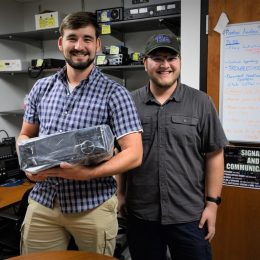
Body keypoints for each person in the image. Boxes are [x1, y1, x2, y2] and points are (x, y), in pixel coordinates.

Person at [17, 11, 143, 256]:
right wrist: (27, 164)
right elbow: (25, 135)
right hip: (44, 202)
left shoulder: (115, 93)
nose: (79, 46)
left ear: (97, 45)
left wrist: (87, 174)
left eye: (87, 39)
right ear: (61, 43)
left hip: (92, 206)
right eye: (72, 38)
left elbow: (134, 154)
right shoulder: (41, 88)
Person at [117, 34, 228, 260]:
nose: (165, 65)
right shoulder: (128, 103)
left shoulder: (201, 102)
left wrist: (212, 205)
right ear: (145, 62)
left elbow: (215, 154)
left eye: (171, 58)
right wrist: (119, 194)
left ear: (179, 62)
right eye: (157, 58)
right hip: (141, 215)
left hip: (189, 216)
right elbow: (121, 154)